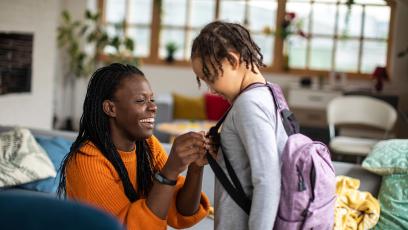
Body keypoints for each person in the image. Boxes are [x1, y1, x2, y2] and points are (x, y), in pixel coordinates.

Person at [57, 63, 211, 230]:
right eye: (140, 100)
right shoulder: (85, 162)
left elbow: (182, 212)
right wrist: (170, 171)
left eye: (152, 99)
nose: (153, 107)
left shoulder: (148, 145)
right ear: (110, 108)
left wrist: (196, 166)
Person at [190, 21, 289, 230]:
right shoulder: (271, 93)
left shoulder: (249, 104)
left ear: (232, 61)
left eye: (210, 77)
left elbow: (268, 180)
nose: (211, 90)